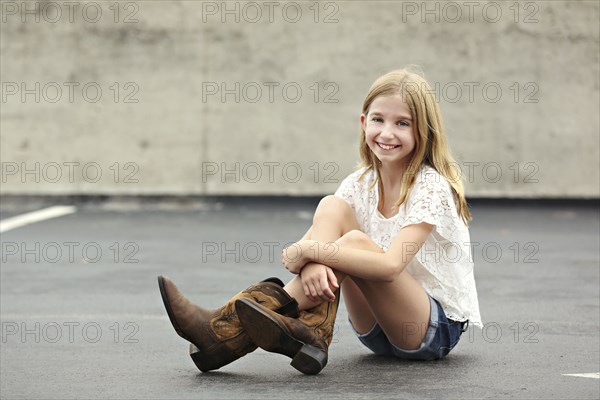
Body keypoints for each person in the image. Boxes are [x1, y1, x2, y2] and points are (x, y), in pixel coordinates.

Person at [158, 67, 482, 375]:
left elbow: (390, 266)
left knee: (355, 243)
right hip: (373, 331)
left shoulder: (432, 187)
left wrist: (310, 253)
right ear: (363, 122)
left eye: (402, 123)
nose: (386, 132)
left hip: (429, 330)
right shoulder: (359, 184)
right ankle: (312, 330)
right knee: (332, 207)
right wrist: (311, 259)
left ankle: (222, 331)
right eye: (378, 119)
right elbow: (307, 250)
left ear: (423, 130)